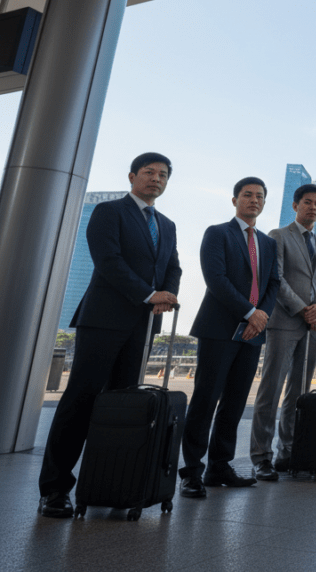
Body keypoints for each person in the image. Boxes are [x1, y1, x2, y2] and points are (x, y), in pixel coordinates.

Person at [38, 153, 181, 518]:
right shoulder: (110, 212)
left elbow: (173, 267)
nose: (156, 179)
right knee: (81, 400)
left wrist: (165, 295)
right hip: (103, 320)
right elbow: (108, 261)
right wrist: (148, 294)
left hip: (143, 326)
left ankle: (112, 483)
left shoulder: (167, 224)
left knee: (124, 406)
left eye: (163, 175)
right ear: (132, 175)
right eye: (149, 172)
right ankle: (55, 488)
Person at [179, 177, 280, 498]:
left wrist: (260, 316)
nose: (254, 200)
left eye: (259, 196)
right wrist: (250, 313)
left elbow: (273, 284)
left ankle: (219, 466)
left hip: (252, 334)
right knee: (206, 399)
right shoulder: (217, 233)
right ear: (235, 200)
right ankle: (191, 471)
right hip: (219, 330)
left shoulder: (267, 243)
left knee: (235, 402)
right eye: (247, 195)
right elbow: (216, 279)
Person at [249, 183, 316, 481]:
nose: (313, 207)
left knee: (298, 393)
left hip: (314, 327)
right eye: (307, 202)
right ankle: (262, 456)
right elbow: (277, 278)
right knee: (271, 390)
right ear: (295, 205)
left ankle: (288, 451)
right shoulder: (278, 236)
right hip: (285, 321)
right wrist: (304, 309)